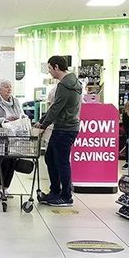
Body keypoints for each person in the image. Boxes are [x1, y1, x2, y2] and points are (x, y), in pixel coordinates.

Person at [35, 56, 81, 207]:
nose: (49, 72)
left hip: (64, 129)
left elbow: (56, 108)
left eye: (49, 68)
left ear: (56, 67)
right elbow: (56, 107)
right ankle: (55, 192)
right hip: (66, 127)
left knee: (61, 162)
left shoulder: (64, 85)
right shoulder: (73, 82)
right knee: (50, 158)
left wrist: (43, 125)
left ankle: (66, 196)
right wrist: (43, 121)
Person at [0, 79, 25, 201]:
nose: (9, 89)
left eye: (10, 86)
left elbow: (21, 114)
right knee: (3, 163)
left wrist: (20, 118)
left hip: (14, 137)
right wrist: (5, 120)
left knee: (12, 162)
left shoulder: (15, 101)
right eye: (6, 87)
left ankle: (6, 187)